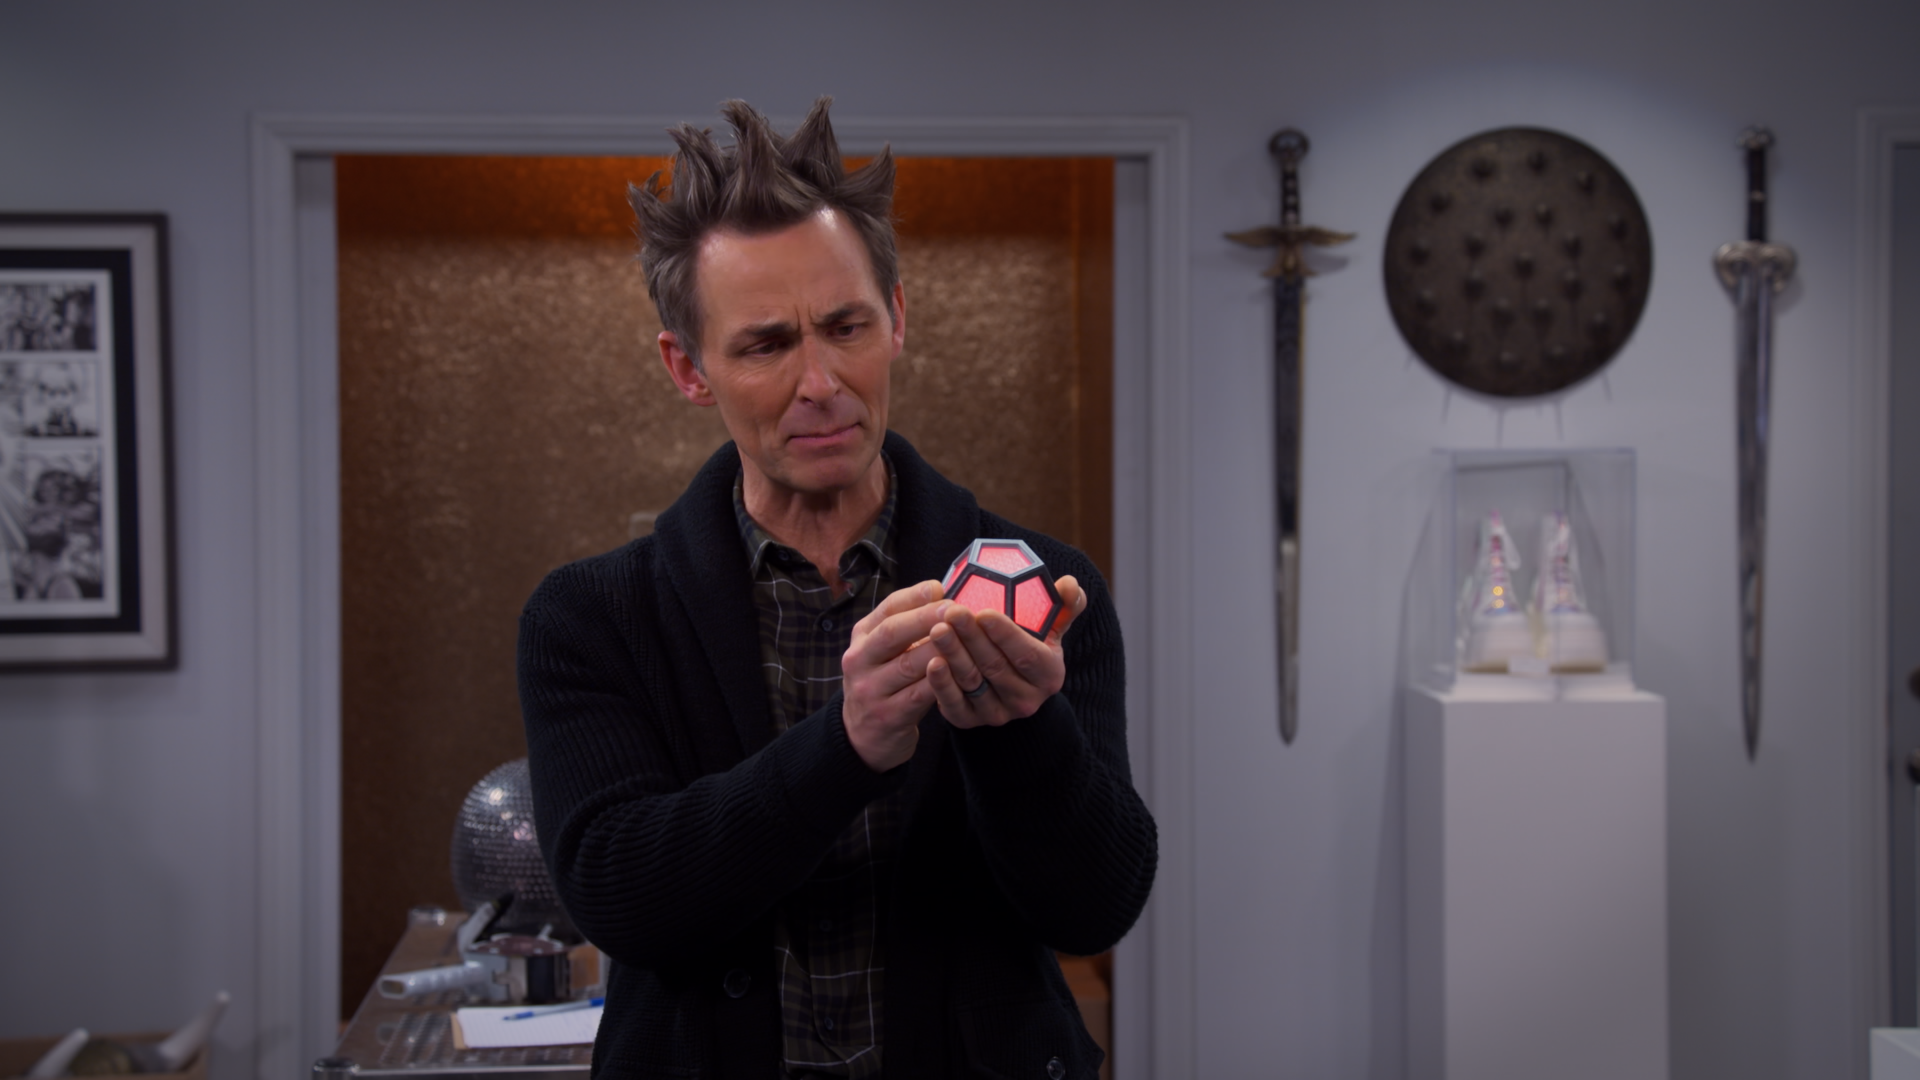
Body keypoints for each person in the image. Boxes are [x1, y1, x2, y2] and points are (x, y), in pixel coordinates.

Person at [518, 97, 1156, 1080]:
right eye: (767, 345)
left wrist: (1024, 729)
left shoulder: (1046, 590)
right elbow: (623, 902)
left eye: (845, 326)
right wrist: (848, 746)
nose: (820, 382)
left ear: (896, 318)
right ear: (688, 368)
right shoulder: (593, 617)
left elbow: (1094, 909)